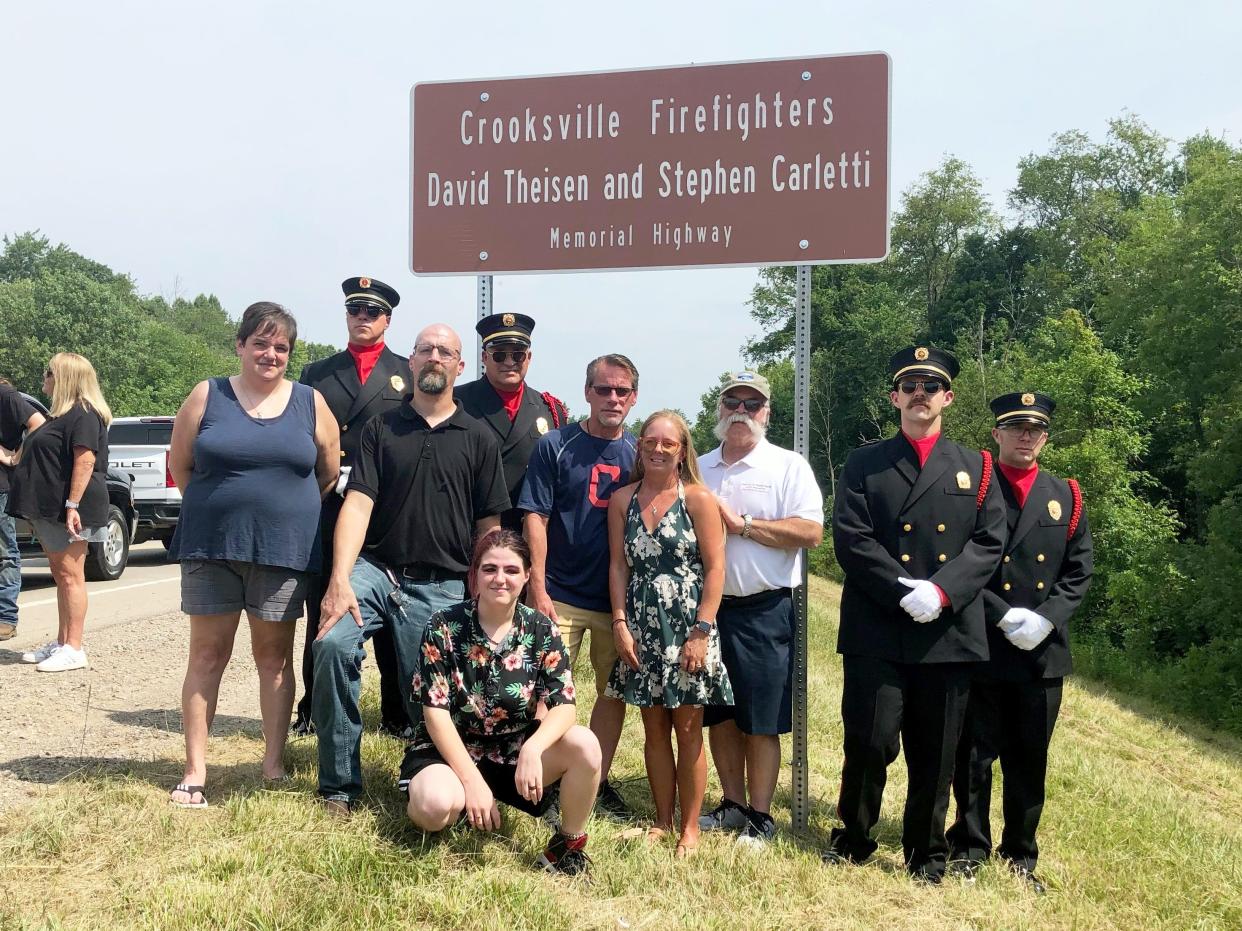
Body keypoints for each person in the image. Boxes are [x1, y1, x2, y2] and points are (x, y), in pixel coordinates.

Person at [825, 346, 1007, 883]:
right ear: (895, 398)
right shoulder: (865, 462)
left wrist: (942, 593)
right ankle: (854, 836)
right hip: (879, 622)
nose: (920, 393)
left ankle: (924, 852)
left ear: (947, 397)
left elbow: (988, 542)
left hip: (947, 632)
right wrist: (903, 589)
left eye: (931, 385)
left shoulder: (978, 466)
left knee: (937, 750)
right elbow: (851, 537)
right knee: (870, 739)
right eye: (910, 385)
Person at [313, 322, 510, 816]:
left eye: (445, 351)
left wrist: (483, 593)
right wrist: (340, 582)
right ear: (412, 362)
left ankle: (428, 775)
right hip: (377, 570)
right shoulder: (383, 429)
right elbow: (357, 505)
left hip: (442, 584)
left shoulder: (480, 439)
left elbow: (489, 526)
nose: (434, 357)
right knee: (332, 643)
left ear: (459, 366)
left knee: (432, 696)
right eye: (425, 350)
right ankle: (339, 785)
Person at [165, 303, 339, 807]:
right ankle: (195, 770)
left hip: (283, 553)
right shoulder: (207, 395)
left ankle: (273, 764)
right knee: (206, 656)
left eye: (281, 346)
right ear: (240, 346)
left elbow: (328, 472)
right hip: (211, 547)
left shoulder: (310, 402)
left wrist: (283, 512)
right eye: (260, 343)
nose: (270, 354)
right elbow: (182, 465)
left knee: (274, 660)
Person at [947, 392, 1093, 893]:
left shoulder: (1067, 494)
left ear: (1045, 437)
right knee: (973, 754)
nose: (1025, 437)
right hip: (983, 639)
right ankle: (968, 846)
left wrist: (1045, 619)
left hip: (1041, 651)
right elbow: (963, 559)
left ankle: (1020, 855)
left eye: (1035, 429)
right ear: (997, 434)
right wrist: (1002, 613)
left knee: (1030, 758)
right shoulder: (973, 488)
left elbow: (1078, 572)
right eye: (1015, 428)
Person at [404, 529, 601, 875]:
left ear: (527, 576)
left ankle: (566, 848)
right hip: (450, 751)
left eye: (511, 570)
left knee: (586, 744)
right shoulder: (443, 626)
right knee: (431, 809)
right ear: (474, 576)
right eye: (489, 569)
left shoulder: (542, 630)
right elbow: (434, 714)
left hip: (513, 750)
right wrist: (471, 780)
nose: (500, 579)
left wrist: (534, 749)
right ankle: (459, 799)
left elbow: (565, 705)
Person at [697, 372, 825, 849]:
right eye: (734, 401)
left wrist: (743, 524)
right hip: (709, 611)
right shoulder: (700, 465)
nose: (742, 411)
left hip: (765, 607)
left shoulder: (787, 466)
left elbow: (811, 532)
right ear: (720, 406)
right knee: (721, 714)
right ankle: (731, 804)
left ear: (767, 412)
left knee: (761, 718)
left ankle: (761, 815)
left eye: (753, 404)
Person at [519, 353, 639, 822]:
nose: (612, 398)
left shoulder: (639, 452)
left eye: (622, 391)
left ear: (633, 397)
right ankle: (546, 780)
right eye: (604, 389)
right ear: (587, 392)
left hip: (615, 601)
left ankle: (599, 780)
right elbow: (536, 515)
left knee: (612, 694)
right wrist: (538, 587)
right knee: (545, 692)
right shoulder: (556, 445)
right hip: (561, 593)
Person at [291, 276, 411, 739]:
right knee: (324, 600)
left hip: (382, 504)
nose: (363, 317)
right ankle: (314, 706)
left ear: (387, 319)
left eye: (372, 311)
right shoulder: (317, 373)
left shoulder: (406, 371)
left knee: (390, 606)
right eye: (356, 309)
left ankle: (397, 711)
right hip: (326, 501)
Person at [605, 410, 729, 857]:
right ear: (640, 446)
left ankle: (690, 829)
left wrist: (701, 631)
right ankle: (661, 819)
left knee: (689, 728)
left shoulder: (696, 498)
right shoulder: (622, 500)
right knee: (654, 729)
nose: (657, 449)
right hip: (640, 624)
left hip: (687, 626)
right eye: (650, 441)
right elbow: (618, 566)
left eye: (668, 443)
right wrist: (620, 623)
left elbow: (716, 570)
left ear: (682, 450)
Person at [5, 353, 112, 672]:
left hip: (73, 507)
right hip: (52, 507)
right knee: (61, 575)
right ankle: (63, 641)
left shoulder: (84, 413)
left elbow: (85, 460)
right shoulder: (60, 415)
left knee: (71, 576)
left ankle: (74, 648)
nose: (44, 376)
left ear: (65, 377)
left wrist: (72, 505)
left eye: (49, 372)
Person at [455, 312, 568, 532]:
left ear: (529, 357)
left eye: (517, 355)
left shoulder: (550, 409)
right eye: (499, 356)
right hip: (469, 532)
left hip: (526, 534)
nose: (509, 362)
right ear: (484, 358)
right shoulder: (457, 402)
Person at [0, 377, 45, 641]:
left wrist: (16, 457)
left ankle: (5, 618)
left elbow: (38, 423)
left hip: (2, 486)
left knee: (5, 553)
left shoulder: (5, 394)